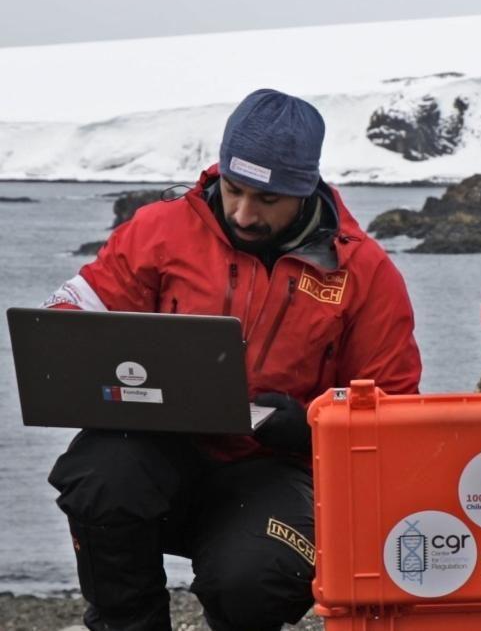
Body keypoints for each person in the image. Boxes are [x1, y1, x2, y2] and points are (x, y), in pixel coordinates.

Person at [44, 88, 422, 631]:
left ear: (305, 189)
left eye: (267, 200)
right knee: (101, 475)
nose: (244, 213)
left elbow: (394, 412)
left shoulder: (364, 273)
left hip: (274, 474)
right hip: (159, 454)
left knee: (253, 580)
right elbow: (70, 315)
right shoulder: (159, 229)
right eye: (234, 189)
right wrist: (68, 336)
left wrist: (313, 427)